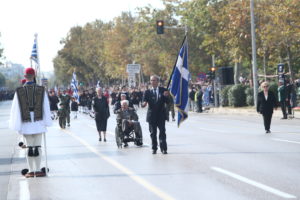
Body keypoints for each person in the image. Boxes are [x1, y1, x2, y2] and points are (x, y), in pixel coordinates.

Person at [9, 67, 52, 178]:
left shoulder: (19, 91)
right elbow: (46, 107)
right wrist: (47, 122)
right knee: (37, 147)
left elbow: (15, 109)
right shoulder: (41, 89)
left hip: (26, 122)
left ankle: (31, 170)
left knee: (29, 147)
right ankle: (37, 169)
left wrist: (17, 124)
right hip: (38, 121)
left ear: (25, 77)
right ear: (34, 75)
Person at [142, 75, 169, 154]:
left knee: (162, 132)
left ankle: (163, 148)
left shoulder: (163, 90)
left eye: (154, 80)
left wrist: (166, 96)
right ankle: (154, 148)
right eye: (151, 80)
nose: (152, 82)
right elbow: (144, 102)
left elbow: (167, 102)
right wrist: (143, 104)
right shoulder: (147, 92)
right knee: (153, 133)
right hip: (151, 116)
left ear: (158, 81)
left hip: (161, 115)